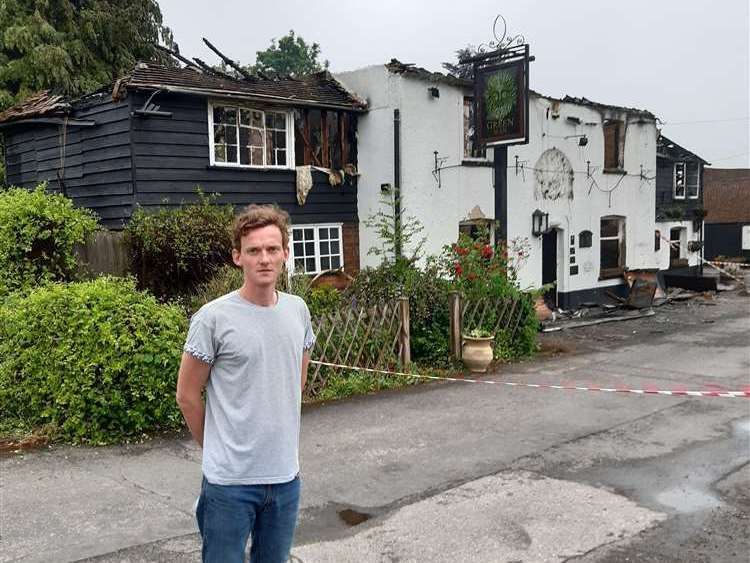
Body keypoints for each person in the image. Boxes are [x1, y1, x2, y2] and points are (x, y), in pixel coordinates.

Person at [176, 204, 315, 563]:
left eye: (272, 249)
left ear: (286, 253)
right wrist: (218, 448)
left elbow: (295, 383)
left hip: (285, 479)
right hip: (228, 485)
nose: (264, 259)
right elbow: (188, 396)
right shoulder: (213, 319)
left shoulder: (297, 310)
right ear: (238, 257)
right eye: (254, 250)